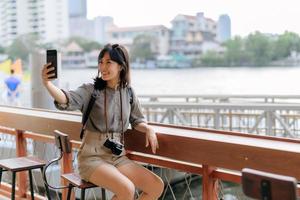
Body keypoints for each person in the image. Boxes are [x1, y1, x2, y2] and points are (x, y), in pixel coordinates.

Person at [41, 44, 164, 200]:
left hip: (117, 156)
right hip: (91, 158)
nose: (103, 67)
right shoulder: (90, 91)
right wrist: (48, 84)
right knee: (127, 189)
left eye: (108, 62)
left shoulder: (129, 93)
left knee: (156, 186)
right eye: (101, 62)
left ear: (121, 66)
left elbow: (137, 120)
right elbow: (66, 99)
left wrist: (148, 129)